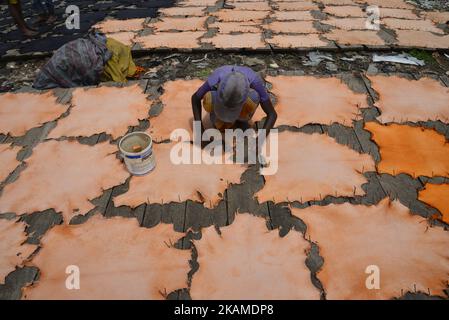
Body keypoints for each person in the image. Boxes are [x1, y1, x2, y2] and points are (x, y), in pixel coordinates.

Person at [33, 32, 144, 89]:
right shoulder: (105, 61)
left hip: (65, 59)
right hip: (66, 64)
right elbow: (117, 82)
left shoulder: (109, 45)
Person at [191, 65, 277, 136]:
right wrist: (200, 134)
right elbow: (195, 98)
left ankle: (241, 120)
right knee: (209, 101)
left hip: (241, 105)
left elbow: (272, 114)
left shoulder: (254, 80)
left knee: (254, 97)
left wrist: (260, 140)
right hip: (219, 101)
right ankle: (223, 120)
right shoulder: (217, 75)